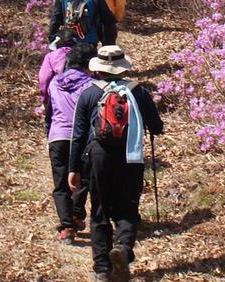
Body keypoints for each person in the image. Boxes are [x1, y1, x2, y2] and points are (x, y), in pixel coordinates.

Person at [68, 46, 164, 282]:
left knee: (99, 210)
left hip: (97, 157)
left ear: (98, 69)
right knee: (127, 207)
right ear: (122, 68)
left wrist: (73, 168)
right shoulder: (138, 92)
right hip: (130, 156)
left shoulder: (89, 94)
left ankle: (102, 268)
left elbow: (78, 134)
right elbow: (157, 127)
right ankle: (122, 248)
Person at [45, 42, 95, 242]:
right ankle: (75, 214)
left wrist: (48, 132)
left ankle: (66, 226)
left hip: (57, 136)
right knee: (81, 178)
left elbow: (49, 113)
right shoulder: (89, 85)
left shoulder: (54, 82)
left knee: (60, 184)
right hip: (80, 138)